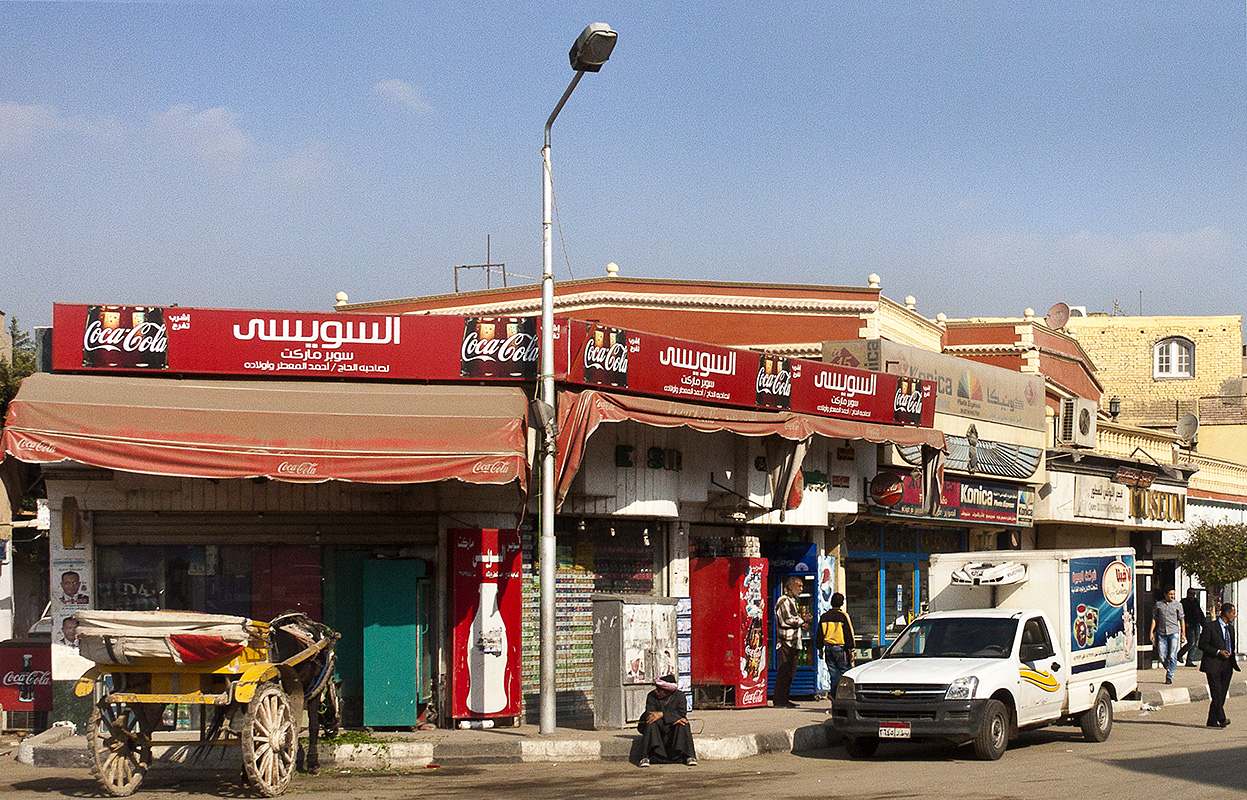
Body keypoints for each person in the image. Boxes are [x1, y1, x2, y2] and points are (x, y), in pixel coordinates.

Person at [637, 675, 697, 767]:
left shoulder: (680, 697)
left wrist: (662, 715)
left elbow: (681, 714)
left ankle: (688, 756)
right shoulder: (652, 696)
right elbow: (652, 715)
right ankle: (646, 757)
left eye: (659, 690)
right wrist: (672, 719)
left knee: (683, 724)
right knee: (650, 723)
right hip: (658, 728)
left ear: (668, 691)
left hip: (673, 729)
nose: (656, 691)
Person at [1198, 602, 1239, 728]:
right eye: (1233, 613)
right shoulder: (1210, 627)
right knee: (1216, 693)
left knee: (1221, 694)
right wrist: (1217, 652)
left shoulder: (1230, 628)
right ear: (1226, 613)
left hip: (1227, 665)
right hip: (1213, 664)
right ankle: (1221, 718)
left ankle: (1211, 720)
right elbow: (1202, 644)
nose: (1235, 615)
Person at [773, 576, 810, 707]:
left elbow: (794, 620)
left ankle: (785, 698)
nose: (801, 589)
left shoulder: (793, 601)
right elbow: (786, 620)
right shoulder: (783, 601)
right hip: (786, 642)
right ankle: (779, 699)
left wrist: (802, 623)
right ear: (790, 587)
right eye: (798, 586)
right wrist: (802, 620)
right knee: (784, 671)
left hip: (794, 642)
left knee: (790, 672)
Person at [815, 592, 855, 695]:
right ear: (842, 603)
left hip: (828, 648)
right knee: (847, 673)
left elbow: (819, 635)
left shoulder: (824, 617)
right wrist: (851, 650)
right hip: (840, 648)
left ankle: (834, 695)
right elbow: (848, 634)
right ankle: (848, 694)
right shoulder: (843, 616)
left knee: (834, 674)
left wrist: (820, 649)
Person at [1150, 588, 1184, 684]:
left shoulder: (1178, 605)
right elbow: (1154, 618)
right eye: (1170, 594)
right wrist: (1151, 632)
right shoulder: (1159, 605)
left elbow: (1181, 619)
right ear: (1165, 594)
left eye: (1173, 594)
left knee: (1172, 655)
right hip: (1162, 633)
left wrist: (1183, 634)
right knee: (1161, 655)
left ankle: (1169, 675)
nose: (1172, 596)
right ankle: (1168, 667)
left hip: (1174, 632)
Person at [1178, 588, 1203, 667]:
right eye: (1191, 594)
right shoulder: (1184, 602)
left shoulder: (1195, 601)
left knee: (1195, 643)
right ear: (1187, 594)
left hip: (1196, 624)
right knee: (1191, 642)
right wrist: (1185, 623)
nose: (1192, 596)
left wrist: (1203, 622)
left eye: (1194, 594)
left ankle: (1189, 660)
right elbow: (1181, 614)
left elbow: (1199, 612)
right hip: (1189, 625)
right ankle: (1180, 654)